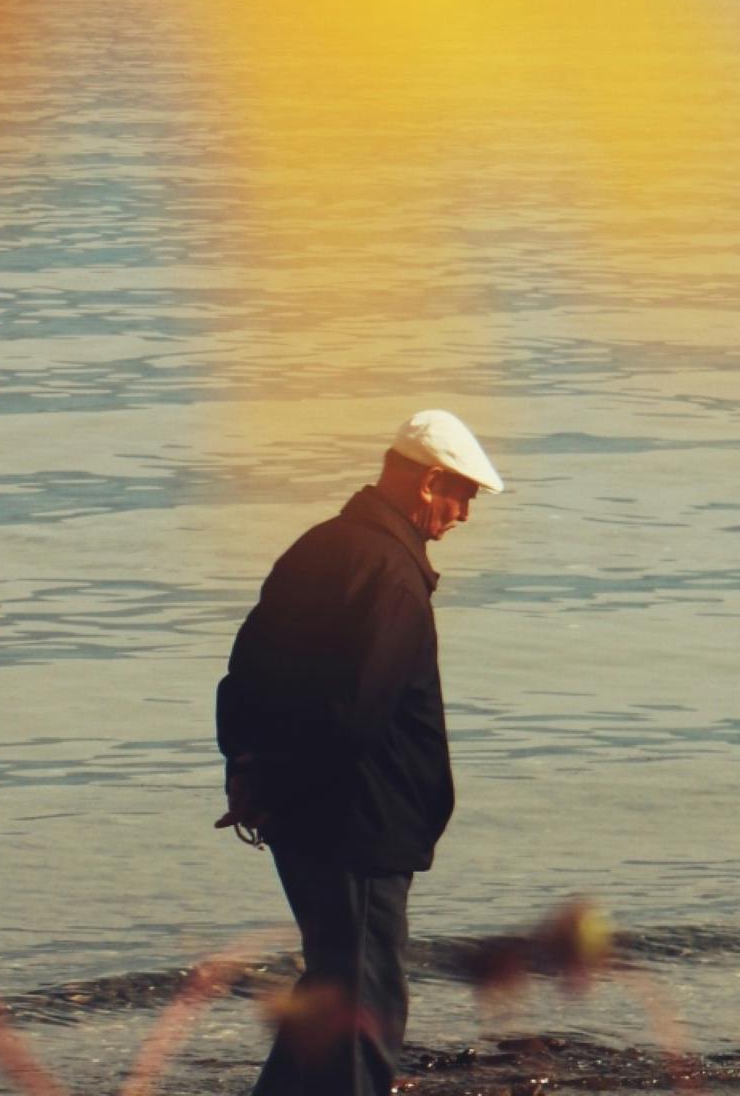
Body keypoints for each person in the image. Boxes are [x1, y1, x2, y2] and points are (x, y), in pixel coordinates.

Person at [214, 410, 504, 1096]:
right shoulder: (393, 577)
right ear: (429, 481)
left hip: (301, 820)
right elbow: (356, 717)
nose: (463, 514)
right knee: (366, 1012)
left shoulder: (319, 547)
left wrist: (250, 773)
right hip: (357, 831)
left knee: (332, 992)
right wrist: (282, 785)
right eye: (460, 495)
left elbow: (242, 677)